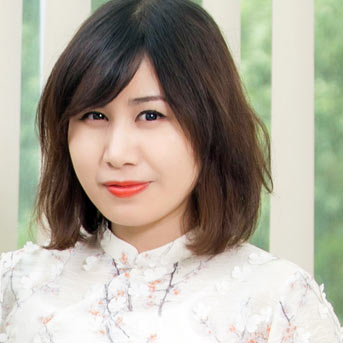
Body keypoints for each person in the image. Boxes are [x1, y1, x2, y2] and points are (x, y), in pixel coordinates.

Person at [0, 0, 342, 342]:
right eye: (95, 116)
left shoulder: (281, 302)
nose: (117, 154)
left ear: (210, 125)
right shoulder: (14, 285)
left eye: (151, 115)